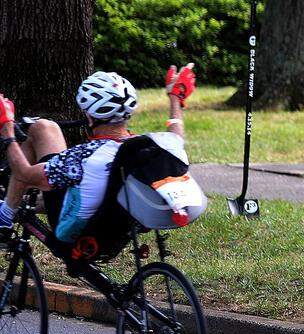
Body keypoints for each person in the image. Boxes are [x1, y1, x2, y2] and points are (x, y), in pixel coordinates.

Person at [0, 65, 196, 243]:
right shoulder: (145, 148)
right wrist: (175, 99)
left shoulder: (82, 158)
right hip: (114, 223)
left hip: (73, 228)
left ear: (90, 116)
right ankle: (17, 202)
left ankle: (5, 216)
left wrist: (7, 128)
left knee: (41, 128)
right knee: (46, 129)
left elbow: (24, 173)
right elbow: (176, 136)